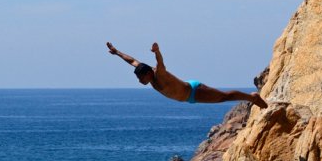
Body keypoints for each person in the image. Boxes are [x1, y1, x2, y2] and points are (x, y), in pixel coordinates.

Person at [106, 41, 268, 109]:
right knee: (221, 98)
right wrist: (117, 52)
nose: (139, 81)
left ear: (148, 73)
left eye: (141, 78)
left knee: (223, 97)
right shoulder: (144, 70)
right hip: (187, 96)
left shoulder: (159, 74)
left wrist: (157, 51)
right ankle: (251, 97)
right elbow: (132, 61)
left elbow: (160, 62)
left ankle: (252, 97)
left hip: (194, 91)